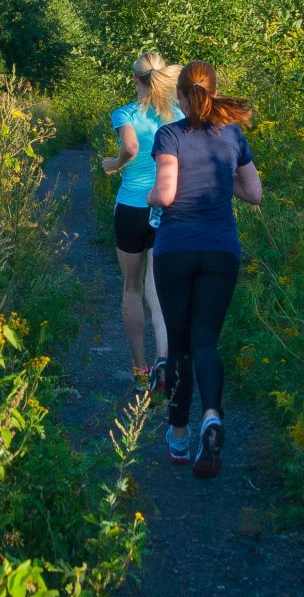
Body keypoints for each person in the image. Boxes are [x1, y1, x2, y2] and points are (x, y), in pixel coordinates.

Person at [146, 60, 263, 479]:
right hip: (220, 251)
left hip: (176, 249)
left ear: (179, 96)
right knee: (206, 342)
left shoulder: (170, 134)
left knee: (178, 345)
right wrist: (220, 175)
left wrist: (149, 198)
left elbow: (167, 192)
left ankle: (179, 437)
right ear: (215, 93)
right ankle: (212, 417)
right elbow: (254, 193)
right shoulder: (234, 135)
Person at [102, 52, 184, 392]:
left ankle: (139, 367)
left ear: (135, 79)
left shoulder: (124, 113)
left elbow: (131, 147)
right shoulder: (177, 114)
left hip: (132, 207)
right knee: (158, 285)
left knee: (131, 287)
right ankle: (163, 358)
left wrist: (115, 163)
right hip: (167, 207)